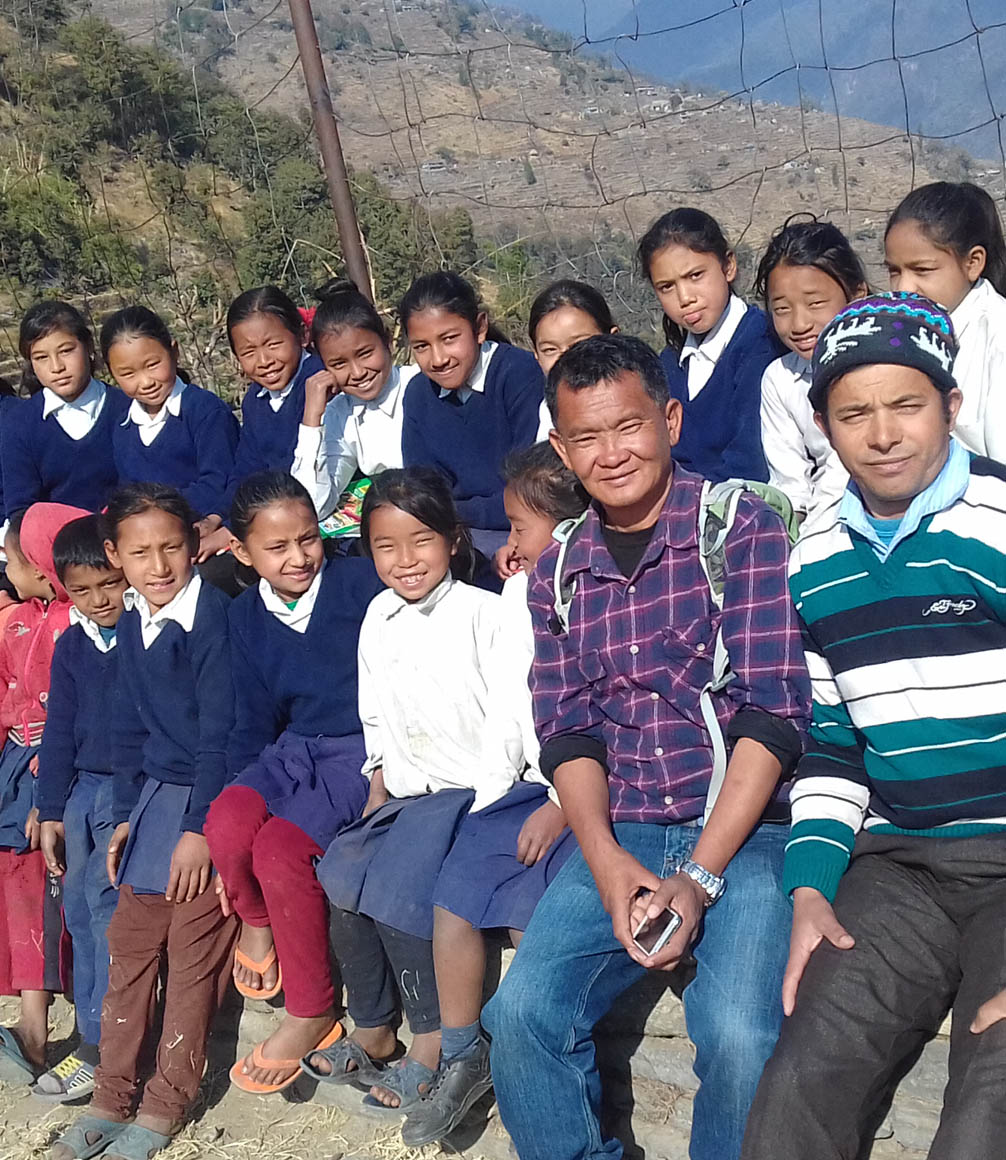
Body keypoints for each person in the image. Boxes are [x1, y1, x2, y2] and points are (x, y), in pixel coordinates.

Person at [482, 334, 811, 1160]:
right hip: (624, 824)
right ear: (560, 447)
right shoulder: (558, 571)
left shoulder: (738, 529)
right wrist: (603, 859)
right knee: (520, 1016)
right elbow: (569, 729)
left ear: (668, 419)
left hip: (747, 828)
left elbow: (771, 713)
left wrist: (698, 875)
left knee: (739, 1033)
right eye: (585, 437)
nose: (611, 452)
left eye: (628, 427)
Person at [740, 293, 1006, 1160]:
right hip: (899, 867)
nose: (883, 433)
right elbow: (834, 739)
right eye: (854, 413)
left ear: (951, 407)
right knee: (799, 1087)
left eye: (907, 405)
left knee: (987, 1112)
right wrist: (811, 884)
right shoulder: (814, 557)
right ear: (822, 425)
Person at [312, 467, 556, 1127]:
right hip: (409, 790)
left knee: (399, 880)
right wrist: (376, 787)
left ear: (451, 539)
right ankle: (371, 1025)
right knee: (339, 869)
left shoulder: (486, 613)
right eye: (386, 547)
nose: (405, 560)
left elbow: (518, 713)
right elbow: (376, 716)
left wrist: (523, 794)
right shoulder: (379, 616)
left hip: (473, 791)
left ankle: (435, 1039)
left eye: (420, 541)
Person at [49, 483, 237, 1160]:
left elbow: (223, 736)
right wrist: (127, 815)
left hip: (210, 799)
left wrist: (200, 831)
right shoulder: (131, 619)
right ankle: (111, 1092)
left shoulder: (213, 618)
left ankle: (166, 1102)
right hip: (156, 800)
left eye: (171, 548)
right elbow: (130, 728)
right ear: (114, 555)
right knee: (129, 947)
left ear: (194, 545)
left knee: (191, 956)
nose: (158, 566)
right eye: (140, 552)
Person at [204, 471, 383, 1095]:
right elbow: (251, 717)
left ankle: (314, 1011)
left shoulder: (360, 585)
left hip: (359, 749)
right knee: (226, 825)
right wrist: (241, 781)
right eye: (276, 548)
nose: (298, 557)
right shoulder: (244, 616)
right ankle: (257, 920)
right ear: (243, 554)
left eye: (307, 539)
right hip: (290, 749)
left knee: (281, 850)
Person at [33, 515, 127, 1104]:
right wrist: (49, 810)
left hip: (127, 789)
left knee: (105, 906)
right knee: (76, 909)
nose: (98, 602)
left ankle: (102, 1047)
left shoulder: (147, 633)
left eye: (108, 585)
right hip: (82, 788)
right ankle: (91, 1034)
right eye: (82, 591)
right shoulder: (72, 644)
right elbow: (60, 730)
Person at [0, 504, 85, 1085]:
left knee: (47, 880)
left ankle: (42, 1030)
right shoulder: (19, 622)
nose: (8, 571)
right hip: (15, 767)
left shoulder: (83, 624)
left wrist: (45, 790)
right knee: (17, 878)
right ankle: (31, 1023)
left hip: (57, 770)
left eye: (13, 560)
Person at [400, 272, 543, 559]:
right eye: (422, 347)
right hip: (455, 529)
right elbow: (424, 485)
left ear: (479, 328)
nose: (438, 359)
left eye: (449, 338)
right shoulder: (419, 394)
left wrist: (456, 512)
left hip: (521, 527)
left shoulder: (517, 374)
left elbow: (531, 486)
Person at [639, 207, 782, 483]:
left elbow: (749, 463)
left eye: (695, 276)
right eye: (667, 287)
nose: (685, 297)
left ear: (728, 266)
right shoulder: (669, 365)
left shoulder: (761, 347)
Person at [102, 307, 239, 565]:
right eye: (128, 374)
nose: (145, 382)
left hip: (201, 531)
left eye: (153, 365)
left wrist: (158, 514)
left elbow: (219, 481)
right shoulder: (123, 426)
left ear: (174, 352)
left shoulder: (205, 412)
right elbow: (127, 490)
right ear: (112, 374)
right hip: (146, 541)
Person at [199, 287, 326, 561]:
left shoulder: (319, 383)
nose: (264, 361)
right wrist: (217, 516)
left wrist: (230, 531)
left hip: (316, 519)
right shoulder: (256, 399)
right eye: (249, 352)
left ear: (302, 335)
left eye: (273, 344)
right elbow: (247, 468)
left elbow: (298, 472)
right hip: (271, 519)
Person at [885, 181, 1006, 461]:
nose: (905, 287)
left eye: (922, 270)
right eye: (894, 270)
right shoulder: (896, 328)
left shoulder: (998, 340)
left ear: (973, 263)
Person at [755, 218, 867, 519]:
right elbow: (790, 484)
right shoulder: (779, 380)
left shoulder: (883, 368)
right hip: (822, 522)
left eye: (815, 303)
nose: (799, 324)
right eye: (782, 309)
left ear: (857, 296)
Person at [292, 279, 418, 520]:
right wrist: (311, 420)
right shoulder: (340, 413)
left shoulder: (420, 385)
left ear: (387, 342)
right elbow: (313, 507)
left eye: (365, 354)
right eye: (339, 364)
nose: (358, 373)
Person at [2, 302, 127, 519]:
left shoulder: (127, 409)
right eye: (41, 358)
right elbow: (22, 511)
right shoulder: (19, 424)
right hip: (56, 545)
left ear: (87, 346)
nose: (57, 367)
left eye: (66, 351)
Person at [529, 279, 619, 441]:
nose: (565, 359)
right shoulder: (546, 412)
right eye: (550, 350)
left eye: (579, 345)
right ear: (537, 355)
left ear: (613, 339)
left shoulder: (638, 398)